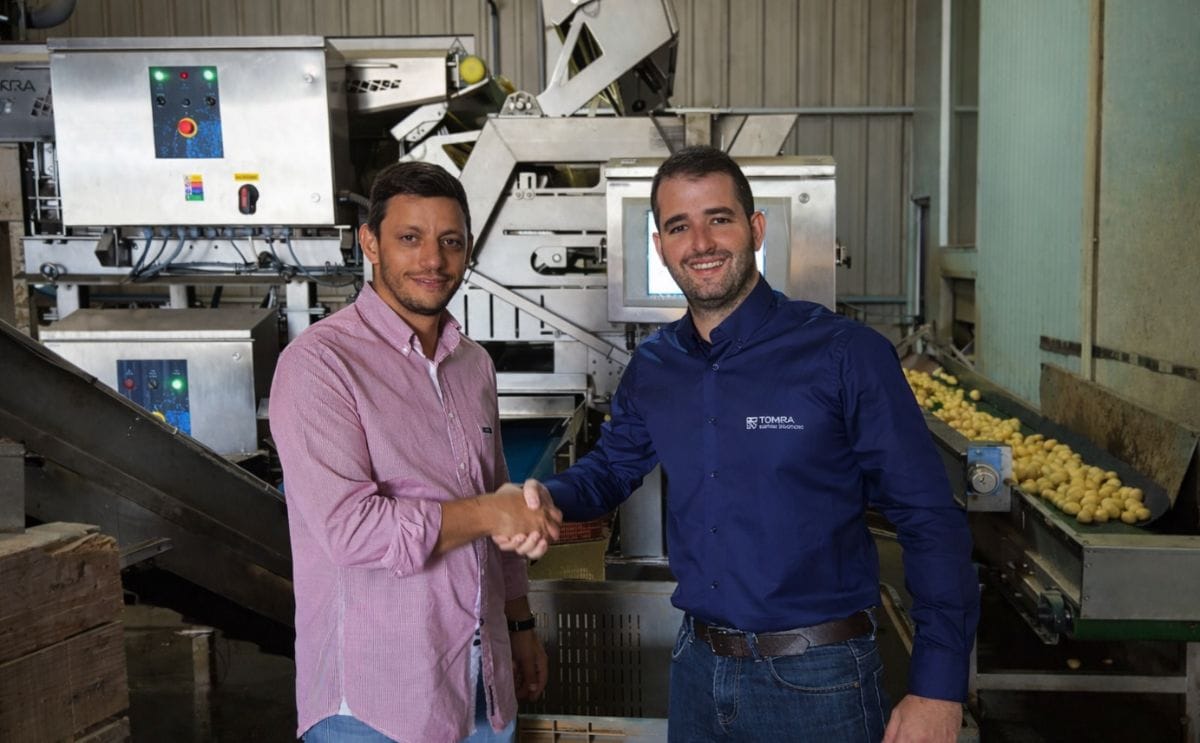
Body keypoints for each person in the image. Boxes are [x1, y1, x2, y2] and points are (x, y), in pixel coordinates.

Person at [508, 146, 979, 742]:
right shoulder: (656, 364)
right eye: (679, 226)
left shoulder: (843, 354)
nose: (700, 241)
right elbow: (610, 469)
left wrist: (938, 687)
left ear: (755, 229)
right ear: (660, 246)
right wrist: (543, 497)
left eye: (719, 219)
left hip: (818, 680)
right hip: (697, 669)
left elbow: (929, 518)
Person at [270, 160, 563, 743]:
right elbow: (352, 531)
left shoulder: (472, 364)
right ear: (370, 243)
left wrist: (520, 621)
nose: (433, 260)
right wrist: (490, 513)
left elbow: (496, 493)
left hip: (481, 686)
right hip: (375, 706)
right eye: (410, 238)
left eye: (449, 242)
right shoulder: (320, 365)